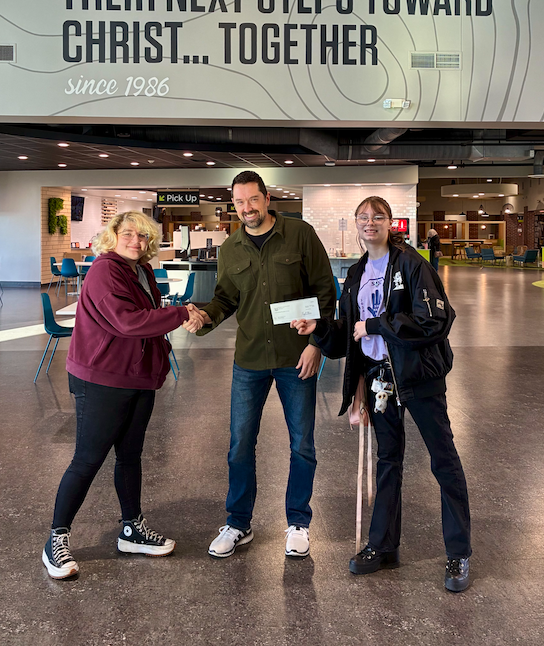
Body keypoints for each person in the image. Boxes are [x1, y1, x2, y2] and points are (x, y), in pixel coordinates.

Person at [291, 196, 471, 592]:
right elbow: (346, 336)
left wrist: (376, 325)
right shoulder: (356, 274)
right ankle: (383, 545)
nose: (369, 223)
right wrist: (318, 330)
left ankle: (459, 552)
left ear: (392, 223)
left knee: (444, 461)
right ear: (355, 224)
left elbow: (436, 320)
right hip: (378, 380)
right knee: (388, 460)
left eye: (377, 217)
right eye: (362, 217)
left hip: (418, 377)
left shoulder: (412, 264)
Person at [42, 211, 200, 580]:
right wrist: (180, 314)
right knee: (87, 459)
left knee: (130, 456)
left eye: (143, 237)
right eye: (128, 234)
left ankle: (131, 528)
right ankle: (56, 539)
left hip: (137, 377)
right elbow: (126, 321)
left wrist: (177, 314)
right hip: (102, 379)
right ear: (112, 235)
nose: (136, 241)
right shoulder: (104, 270)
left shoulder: (141, 271)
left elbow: (146, 313)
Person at [186, 170, 336, 559]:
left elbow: (325, 291)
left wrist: (316, 342)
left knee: (302, 444)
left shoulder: (300, 234)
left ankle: (299, 523)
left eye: (253, 199)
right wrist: (205, 317)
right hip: (249, 360)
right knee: (239, 446)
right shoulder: (231, 248)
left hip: (295, 357)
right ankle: (238, 523)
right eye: (239, 202)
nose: (247, 208)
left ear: (267, 199)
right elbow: (225, 300)